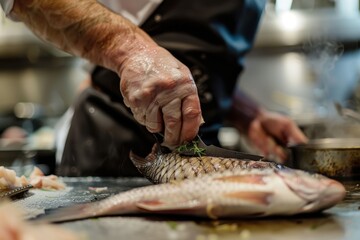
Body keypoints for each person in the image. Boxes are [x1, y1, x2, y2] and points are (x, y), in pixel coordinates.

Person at [0, 0, 307, 177]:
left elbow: (195, 58)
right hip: (110, 151)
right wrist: (129, 50)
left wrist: (245, 114)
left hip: (202, 158)